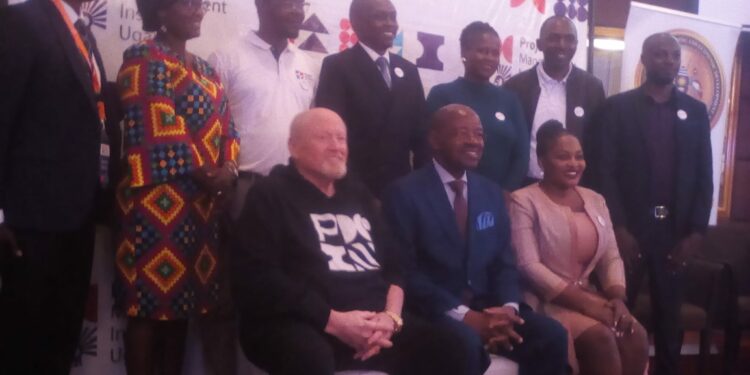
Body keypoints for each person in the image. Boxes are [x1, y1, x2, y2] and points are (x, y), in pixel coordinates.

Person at [231, 108, 469, 375]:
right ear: (293, 146)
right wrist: (333, 321)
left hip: (375, 323)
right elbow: (258, 278)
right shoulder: (270, 195)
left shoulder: (358, 194)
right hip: (303, 322)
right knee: (309, 357)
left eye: (341, 139)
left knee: (453, 348)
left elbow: (395, 268)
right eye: (324, 138)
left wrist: (390, 319)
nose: (336, 147)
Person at [382, 104, 568, 375]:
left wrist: (508, 309)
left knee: (551, 335)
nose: (474, 141)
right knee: (464, 343)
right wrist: (466, 316)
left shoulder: (492, 193)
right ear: (435, 140)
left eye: (479, 134)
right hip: (434, 311)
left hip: (490, 307)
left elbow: (505, 263)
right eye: (462, 133)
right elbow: (406, 273)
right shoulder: (404, 193)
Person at [113, 0, 240, 374]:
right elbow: (155, 124)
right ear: (161, 12)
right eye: (189, 4)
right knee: (147, 308)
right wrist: (207, 172)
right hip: (152, 208)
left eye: (201, 4)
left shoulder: (205, 70)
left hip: (199, 211)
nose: (199, 10)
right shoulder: (142, 59)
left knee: (183, 306)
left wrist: (230, 168)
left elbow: (229, 127)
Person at [590, 32, 713, 375]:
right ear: (644, 58)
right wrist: (618, 227)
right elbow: (605, 171)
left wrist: (696, 233)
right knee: (618, 316)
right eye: (660, 55)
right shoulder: (617, 107)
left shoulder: (695, 111)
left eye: (674, 56)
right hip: (629, 231)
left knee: (670, 320)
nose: (669, 62)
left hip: (675, 234)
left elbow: (704, 175)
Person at [0, 0, 111, 373]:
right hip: (28, 219)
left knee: (60, 344)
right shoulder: (22, 20)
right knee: (22, 346)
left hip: (77, 216)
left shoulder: (84, 34)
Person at [509, 120, 649, 375]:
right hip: (545, 302)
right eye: (563, 157)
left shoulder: (596, 199)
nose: (574, 164)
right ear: (541, 161)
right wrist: (586, 305)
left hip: (593, 296)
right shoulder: (523, 200)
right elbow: (528, 266)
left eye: (579, 157)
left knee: (636, 335)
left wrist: (617, 299)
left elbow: (611, 256)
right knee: (601, 339)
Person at [209, 0, 318, 218]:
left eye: (301, 4)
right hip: (246, 185)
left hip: (296, 186)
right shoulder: (226, 58)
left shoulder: (307, 63)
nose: (298, 12)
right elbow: (211, 126)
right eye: (290, 3)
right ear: (262, 6)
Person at [315, 0, 429, 197]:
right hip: (353, 190)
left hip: (402, 191)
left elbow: (421, 138)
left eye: (392, 17)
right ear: (356, 22)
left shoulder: (409, 71)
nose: (390, 23)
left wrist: (421, 189)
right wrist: (351, 190)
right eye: (380, 17)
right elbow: (330, 135)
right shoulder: (337, 66)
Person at [426, 22, 529, 192]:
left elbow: (522, 154)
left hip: (499, 197)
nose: (490, 58)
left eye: (495, 53)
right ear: (464, 52)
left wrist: (506, 191)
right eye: (482, 51)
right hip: (451, 194)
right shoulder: (442, 94)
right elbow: (428, 149)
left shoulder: (510, 100)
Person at [503, 15, 605, 186]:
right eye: (554, 38)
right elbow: (508, 142)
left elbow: (598, 143)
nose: (562, 45)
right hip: (524, 187)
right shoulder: (516, 87)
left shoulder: (592, 87)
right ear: (539, 43)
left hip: (575, 188)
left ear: (576, 45)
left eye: (569, 39)